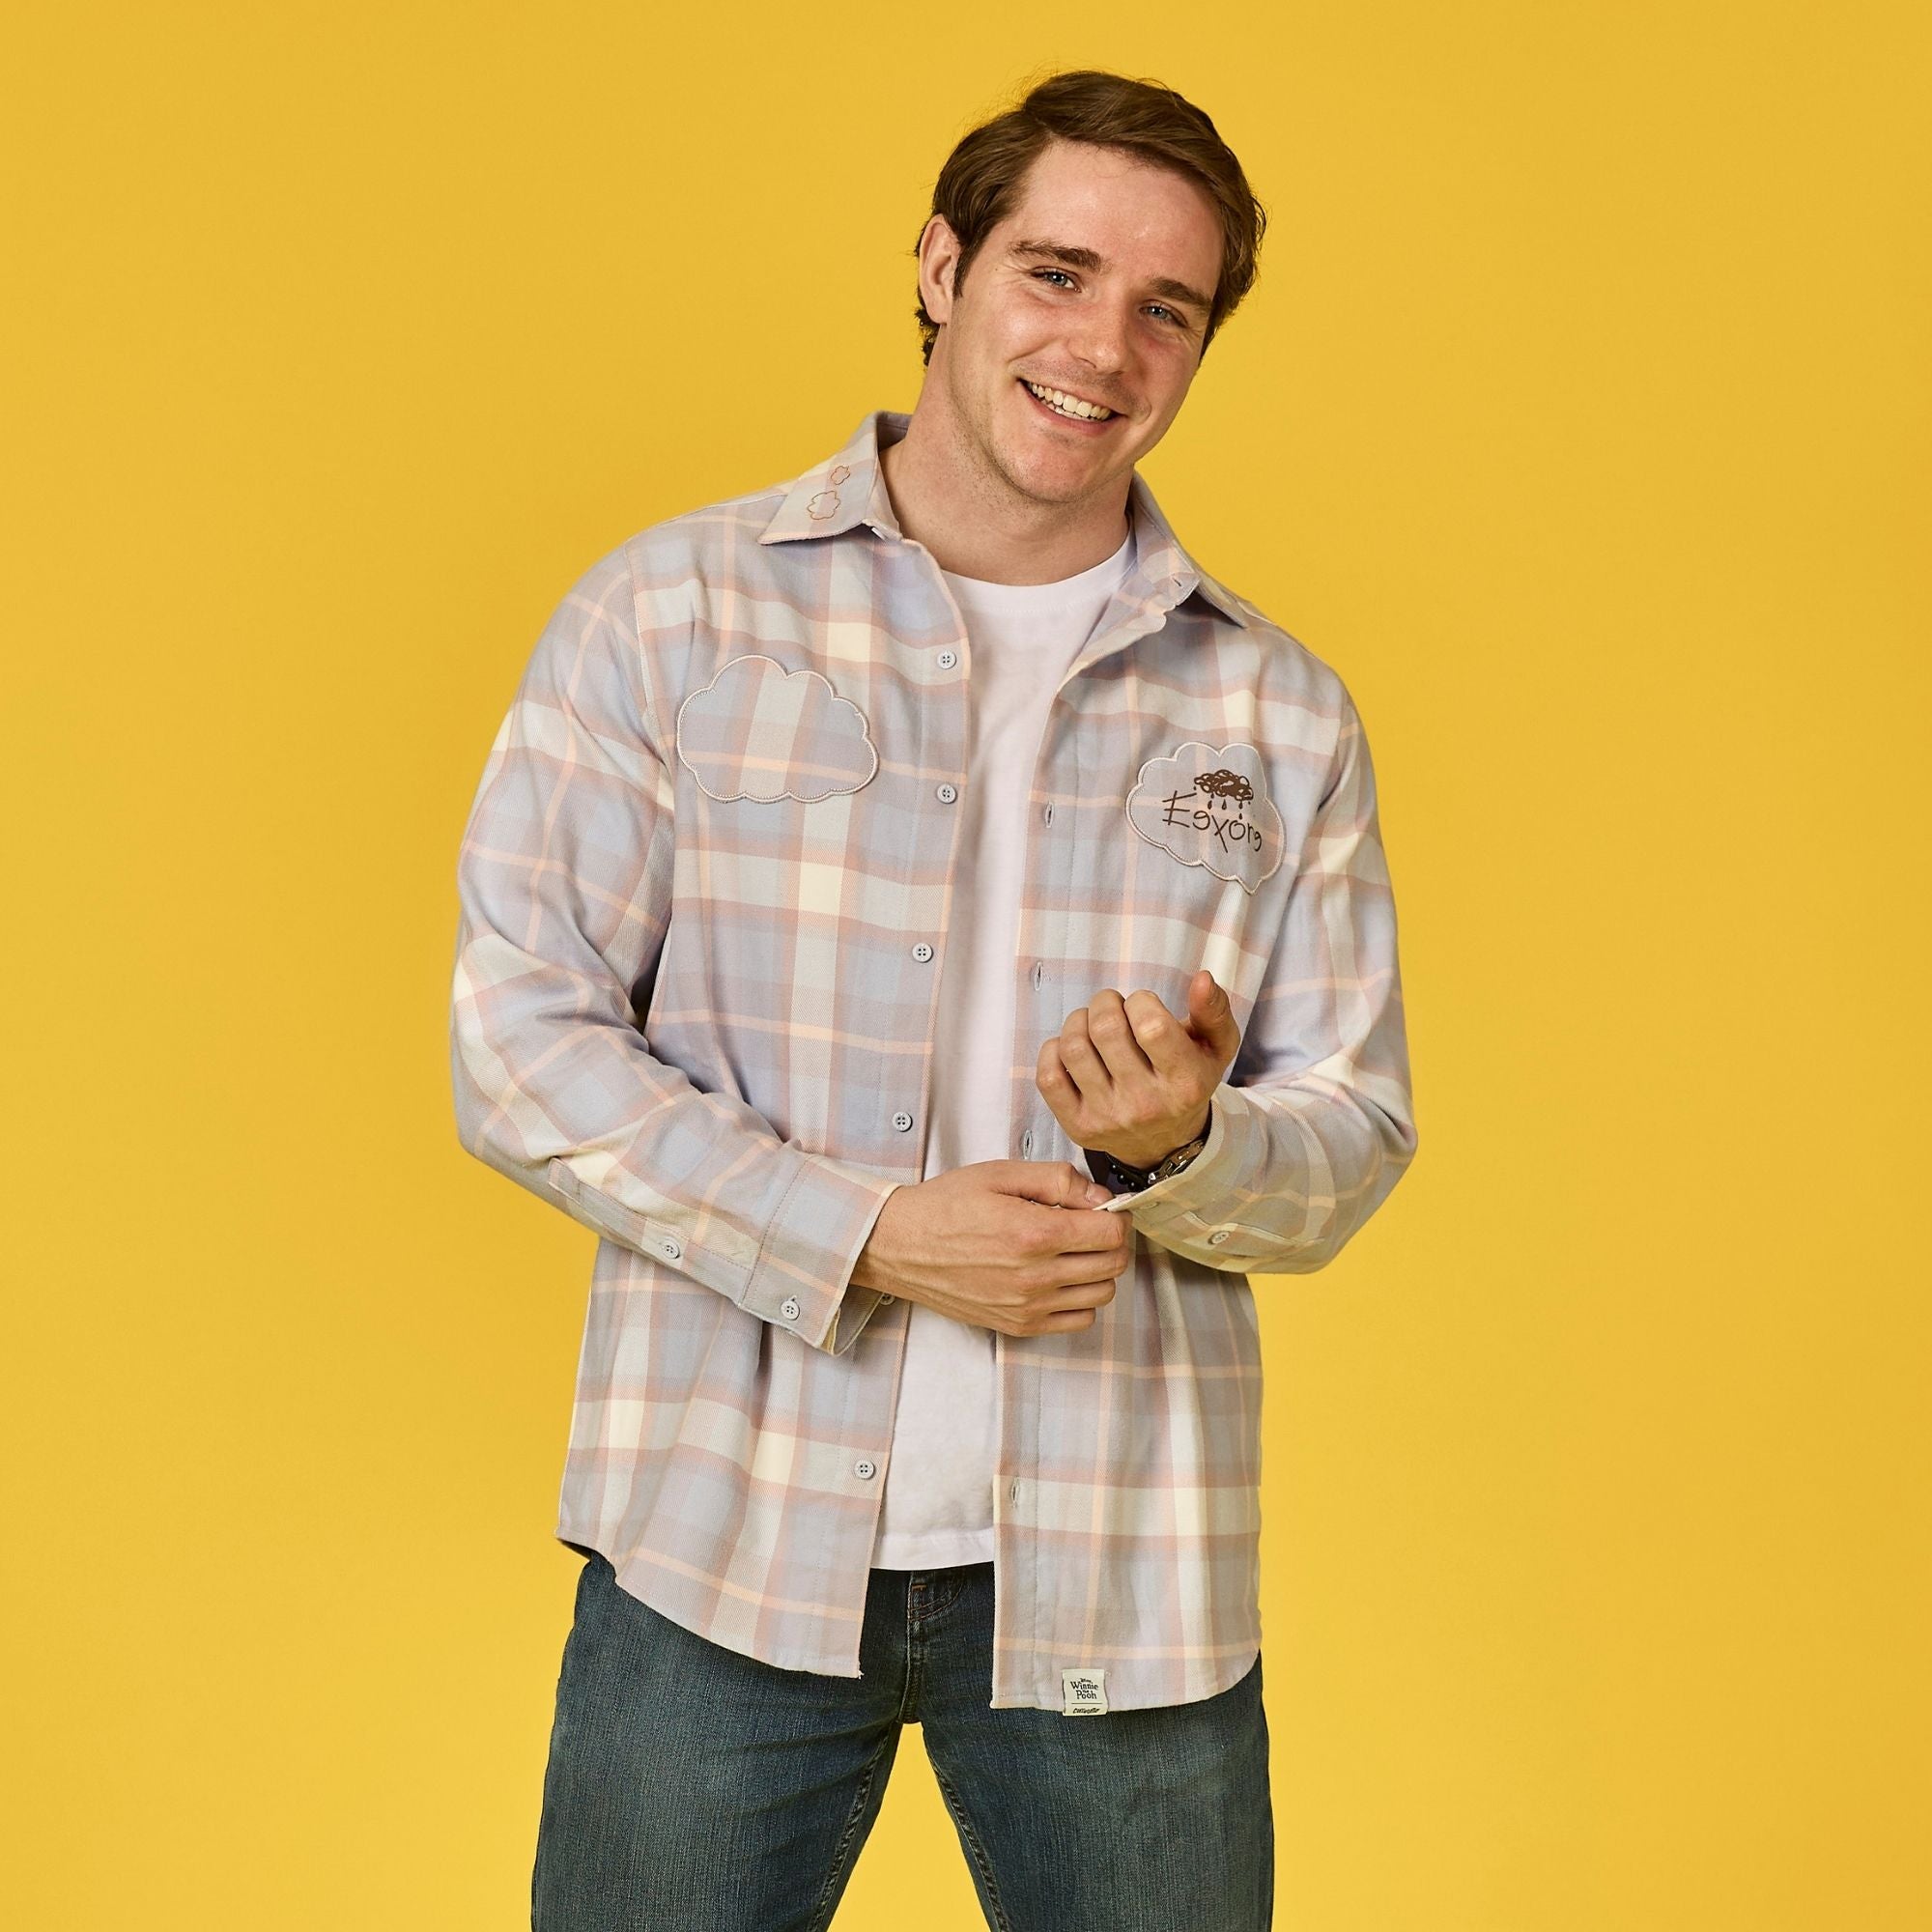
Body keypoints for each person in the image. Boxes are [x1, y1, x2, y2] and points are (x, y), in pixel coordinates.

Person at [450, 66, 1417, 1932]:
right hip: (718, 1546)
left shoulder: (1277, 713)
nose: (1104, 348)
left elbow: (1351, 1138)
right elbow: (520, 1042)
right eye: (1057, 273)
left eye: (1168, 308)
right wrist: (873, 1236)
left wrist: (1183, 1149)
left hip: (1125, 1583)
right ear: (941, 264)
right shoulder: (673, 615)